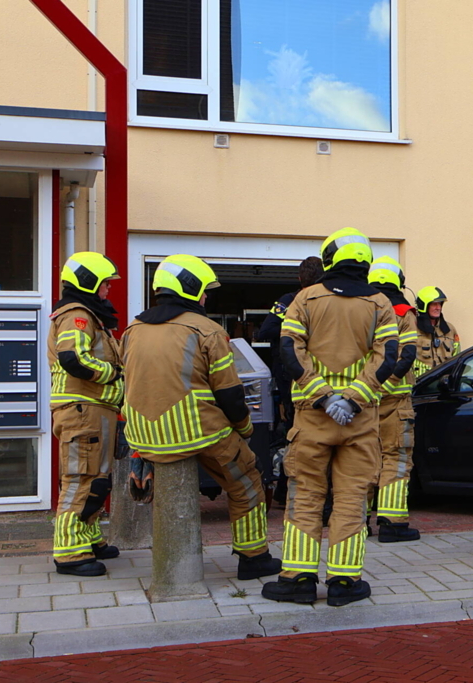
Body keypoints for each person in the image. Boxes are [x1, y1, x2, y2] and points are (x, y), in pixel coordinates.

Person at [121, 254, 281, 581]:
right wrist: (244, 428)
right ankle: (254, 557)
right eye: (204, 289)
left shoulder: (132, 329)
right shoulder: (207, 330)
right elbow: (230, 393)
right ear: (190, 288)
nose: (206, 296)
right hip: (196, 431)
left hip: (143, 436)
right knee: (248, 479)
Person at [261, 228, 397, 607]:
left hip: (312, 417)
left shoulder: (305, 298)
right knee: (352, 499)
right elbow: (387, 357)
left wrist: (323, 397)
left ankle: (298, 580)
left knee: (305, 495)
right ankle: (344, 583)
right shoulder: (380, 303)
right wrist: (353, 400)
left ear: (329, 258)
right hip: (360, 420)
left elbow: (290, 350)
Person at [48, 252, 124, 577]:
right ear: (88, 282)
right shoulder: (77, 315)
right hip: (82, 410)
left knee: (97, 480)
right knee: (80, 478)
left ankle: (89, 539)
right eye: (105, 282)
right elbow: (73, 358)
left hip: (94, 409)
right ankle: (69, 553)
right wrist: (113, 373)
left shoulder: (92, 317)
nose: (108, 288)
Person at [255, 256, 324, 504]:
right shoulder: (289, 301)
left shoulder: (322, 302)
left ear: (300, 277)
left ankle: (289, 489)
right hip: (291, 378)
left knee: (300, 434)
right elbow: (266, 331)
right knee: (297, 433)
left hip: (310, 378)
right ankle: (286, 490)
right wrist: (296, 328)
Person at [367, 257, 420, 542]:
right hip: (395, 399)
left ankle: (358, 521)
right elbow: (408, 355)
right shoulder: (402, 311)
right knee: (396, 457)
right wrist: (388, 384)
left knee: (363, 457)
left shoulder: (363, 308)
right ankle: (392, 524)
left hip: (363, 397)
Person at [413, 286, 460, 378]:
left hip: (444, 381)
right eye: (434, 304)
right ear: (424, 305)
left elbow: (457, 356)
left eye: (440, 304)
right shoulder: (412, 328)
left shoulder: (450, 329)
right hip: (420, 382)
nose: (438, 308)